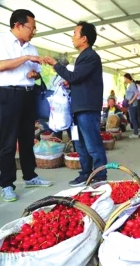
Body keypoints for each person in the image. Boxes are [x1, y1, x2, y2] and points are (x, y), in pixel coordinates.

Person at [44, 21, 107, 186]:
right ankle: (85, 173)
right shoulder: (83, 57)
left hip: (87, 108)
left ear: (84, 38)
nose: (72, 37)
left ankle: (100, 174)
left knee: (92, 144)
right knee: (80, 144)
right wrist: (70, 84)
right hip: (78, 108)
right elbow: (79, 79)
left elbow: (75, 77)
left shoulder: (91, 56)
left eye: (75, 33)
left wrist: (56, 65)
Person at [0, 9, 53, 202]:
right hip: (7, 94)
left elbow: (36, 72)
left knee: (27, 138)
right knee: (7, 142)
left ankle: (30, 176)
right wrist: (26, 59)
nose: (33, 31)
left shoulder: (32, 48)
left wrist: (34, 74)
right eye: (31, 27)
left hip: (28, 95)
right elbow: (1, 65)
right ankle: (6, 184)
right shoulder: (3, 41)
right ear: (18, 25)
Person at [123, 73, 140, 138]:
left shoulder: (132, 84)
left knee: (133, 118)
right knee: (132, 118)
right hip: (131, 104)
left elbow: (136, 93)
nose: (124, 80)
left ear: (127, 78)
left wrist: (131, 101)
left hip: (132, 104)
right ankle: (135, 133)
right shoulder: (131, 84)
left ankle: (136, 133)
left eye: (125, 78)